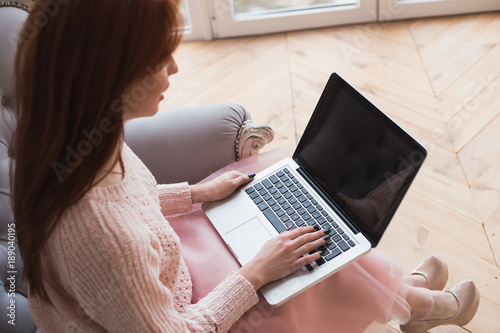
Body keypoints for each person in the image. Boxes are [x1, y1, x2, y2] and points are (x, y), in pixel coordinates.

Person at [12, 0, 479, 332]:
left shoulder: (75, 136)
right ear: (108, 75)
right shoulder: (101, 235)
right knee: (309, 253)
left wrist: (195, 195)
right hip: (182, 313)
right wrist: (255, 274)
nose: (173, 69)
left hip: (161, 283)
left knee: (302, 223)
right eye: (157, 59)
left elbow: (125, 200)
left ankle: (401, 296)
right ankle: (415, 305)